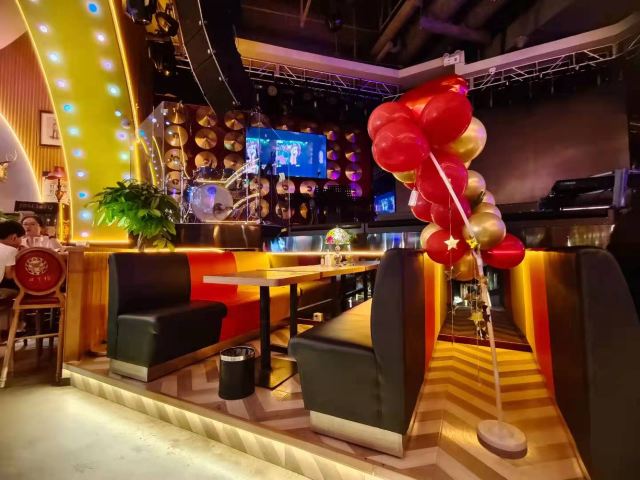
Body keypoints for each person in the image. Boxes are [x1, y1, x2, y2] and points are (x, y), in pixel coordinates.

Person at [0, 221, 25, 334]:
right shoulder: (11, 250)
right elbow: (9, 275)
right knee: (20, 293)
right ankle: (16, 326)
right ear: (14, 237)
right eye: (21, 238)